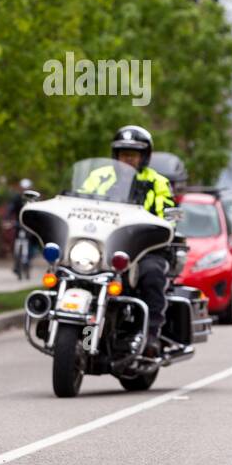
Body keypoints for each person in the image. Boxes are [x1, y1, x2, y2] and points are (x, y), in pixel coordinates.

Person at [80, 126, 175, 356]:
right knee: (74, 273)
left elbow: (167, 214)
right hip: (104, 248)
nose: (128, 159)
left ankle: (151, 335)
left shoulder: (157, 182)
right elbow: (80, 203)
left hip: (144, 250)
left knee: (152, 274)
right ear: (116, 156)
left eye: (133, 155)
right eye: (124, 154)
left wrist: (160, 226)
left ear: (144, 157)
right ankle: (81, 337)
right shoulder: (99, 177)